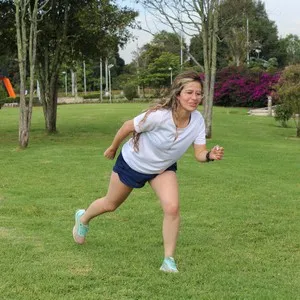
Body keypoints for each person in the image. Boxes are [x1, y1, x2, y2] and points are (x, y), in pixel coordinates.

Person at [72, 70, 224, 273]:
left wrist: (209, 156)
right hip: (132, 163)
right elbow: (128, 126)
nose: (194, 98)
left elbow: (199, 153)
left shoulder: (197, 121)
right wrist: (113, 147)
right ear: (178, 94)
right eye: (189, 92)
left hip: (162, 169)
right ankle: (83, 219)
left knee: (172, 208)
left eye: (198, 93)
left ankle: (168, 261)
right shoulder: (159, 116)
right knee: (110, 204)